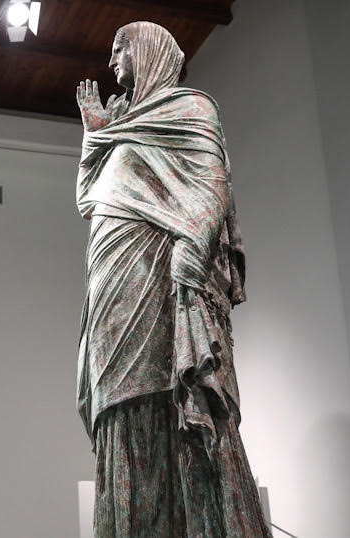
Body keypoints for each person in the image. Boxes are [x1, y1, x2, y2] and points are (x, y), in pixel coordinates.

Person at [75, 22, 271, 536]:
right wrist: (95, 134)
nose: (112, 62)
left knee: (162, 393)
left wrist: (194, 246)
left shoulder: (190, 109)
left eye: (119, 49)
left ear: (147, 50)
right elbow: (88, 198)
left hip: (159, 269)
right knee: (116, 399)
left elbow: (212, 185)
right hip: (113, 274)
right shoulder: (122, 122)